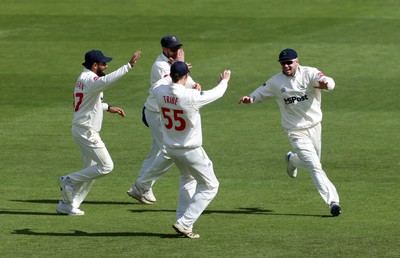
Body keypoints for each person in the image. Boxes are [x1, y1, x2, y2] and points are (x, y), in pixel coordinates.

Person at [239, 48, 341, 217]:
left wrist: (327, 85)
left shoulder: (310, 73)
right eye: (283, 63)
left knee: (312, 163)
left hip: (315, 126)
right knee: (315, 166)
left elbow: (327, 80)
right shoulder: (276, 82)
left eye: (289, 62)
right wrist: (251, 98)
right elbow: (260, 92)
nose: (286, 66)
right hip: (295, 130)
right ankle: (333, 202)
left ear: (297, 61)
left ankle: (291, 159)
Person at [57, 49, 141, 215]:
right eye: (103, 64)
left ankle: (67, 204)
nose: (106, 66)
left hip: (82, 128)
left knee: (92, 169)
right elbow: (107, 81)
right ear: (94, 65)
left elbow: (87, 103)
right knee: (106, 166)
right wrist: (128, 66)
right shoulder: (90, 79)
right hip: (86, 131)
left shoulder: (85, 78)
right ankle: (68, 180)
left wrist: (108, 107)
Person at [153, 61, 231, 238]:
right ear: (186, 76)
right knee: (211, 185)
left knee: (187, 178)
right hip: (190, 149)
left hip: (171, 148)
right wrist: (224, 80)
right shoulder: (191, 96)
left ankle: (183, 222)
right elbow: (217, 93)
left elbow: (161, 82)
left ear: (171, 75)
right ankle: (185, 222)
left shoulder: (159, 91)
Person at [127, 35, 200, 204]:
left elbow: (187, 81)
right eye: (172, 49)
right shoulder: (160, 66)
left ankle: (142, 186)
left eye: (177, 48)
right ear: (164, 49)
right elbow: (174, 86)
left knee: (156, 151)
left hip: (163, 113)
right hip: (156, 113)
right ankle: (141, 186)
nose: (176, 51)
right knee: (167, 151)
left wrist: (194, 84)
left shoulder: (173, 64)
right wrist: (180, 66)